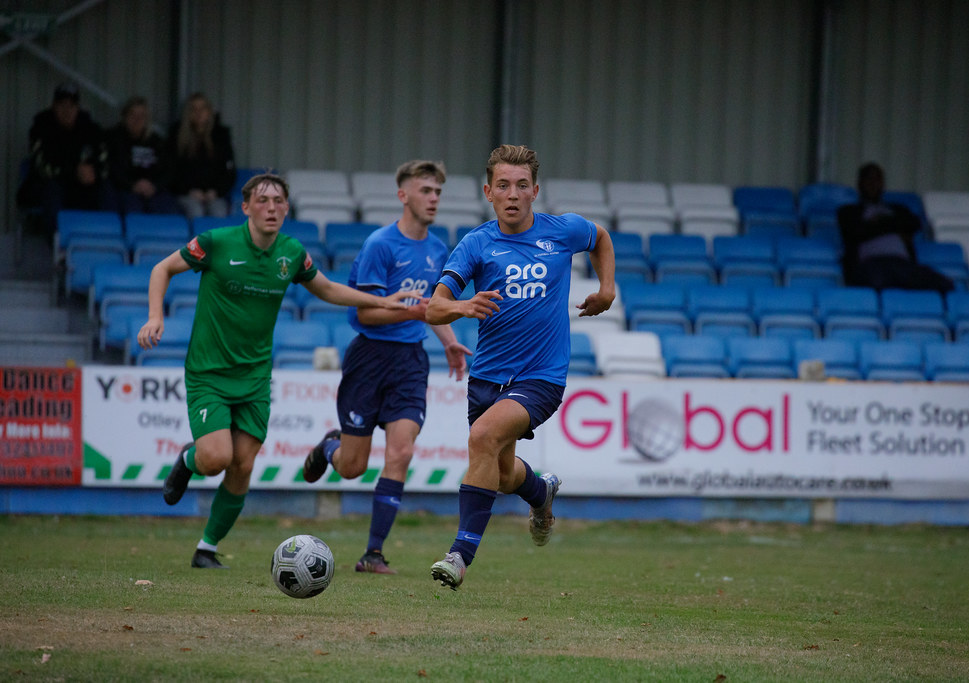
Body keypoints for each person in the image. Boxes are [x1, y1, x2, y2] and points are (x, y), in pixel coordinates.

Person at [137, 173, 417, 569]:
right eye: (263, 200)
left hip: (254, 377)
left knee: (243, 464)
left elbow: (328, 289)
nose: (271, 207)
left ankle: (207, 548)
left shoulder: (291, 252)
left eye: (278, 201)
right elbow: (161, 270)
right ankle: (189, 460)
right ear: (246, 206)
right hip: (209, 373)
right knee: (216, 456)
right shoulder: (217, 243)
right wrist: (154, 316)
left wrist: (386, 303)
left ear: (287, 208)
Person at [424, 144, 616, 590]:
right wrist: (465, 304)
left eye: (522, 186)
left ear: (535, 191)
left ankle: (460, 555)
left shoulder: (563, 231)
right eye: (504, 186)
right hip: (488, 378)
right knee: (503, 472)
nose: (513, 194)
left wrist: (607, 289)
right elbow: (434, 309)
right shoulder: (476, 244)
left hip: (541, 376)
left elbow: (600, 238)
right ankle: (540, 492)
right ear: (488, 192)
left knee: (482, 437)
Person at [302, 160, 471, 574]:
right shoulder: (380, 244)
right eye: (426, 191)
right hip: (370, 358)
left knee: (401, 452)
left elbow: (434, 307)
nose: (433, 199)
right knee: (353, 467)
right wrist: (416, 314)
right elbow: (367, 316)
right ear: (403, 195)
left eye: (438, 192)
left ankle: (372, 554)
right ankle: (330, 446)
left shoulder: (437, 250)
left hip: (410, 362)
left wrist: (448, 341)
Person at [837, 162, 953, 294]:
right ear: (860, 183)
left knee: (944, 284)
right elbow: (855, 232)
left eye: (878, 179)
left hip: (902, 264)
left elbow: (915, 223)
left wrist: (876, 224)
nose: (873, 184)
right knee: (877, 283)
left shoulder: (898, 209)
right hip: (871, 265)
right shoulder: (849, 212)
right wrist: (894, 228)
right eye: (869, 179)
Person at [17, 82, 109, 236]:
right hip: (50, 185)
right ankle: (59, 245)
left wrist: (94, 173)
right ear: (54, 106)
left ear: (77, 107)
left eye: (72, 105)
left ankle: (104, 241)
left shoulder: (91, 129)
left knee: (107, 190)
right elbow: (43, 167)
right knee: (52, 190)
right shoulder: (41, 128)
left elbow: (104, 161)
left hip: (82, 187)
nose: (67, 110)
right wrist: (74, 171)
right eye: (62, 105)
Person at [105, 96, 180, 216]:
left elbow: (168, 170)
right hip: (125, 189)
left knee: (168, 211)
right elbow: (113, 168)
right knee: (132, 209)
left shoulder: (157, 142)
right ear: (124, 117)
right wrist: (132, 185)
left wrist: (154, 186)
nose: (137, 120)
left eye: (141, 116)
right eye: (132, 115)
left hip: (154, 190)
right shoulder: (114, 139)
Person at [167, 92, 236, 220]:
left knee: (218, 212)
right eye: (194, 109)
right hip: (187, 193)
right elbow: (171, 170)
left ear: (209, 111)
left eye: (202, 108)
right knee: (196, 211)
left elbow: (229, 172)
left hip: (214, 194)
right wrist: (188, 191)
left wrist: (216, 192)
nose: (198, 113)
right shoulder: (177, 135)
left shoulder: (220, 135)